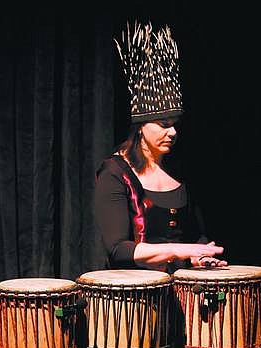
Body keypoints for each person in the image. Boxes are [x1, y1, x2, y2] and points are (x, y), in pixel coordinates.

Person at [94, 21, 228, 273]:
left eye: (176, 124)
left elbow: (196, 236)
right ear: (141, 127)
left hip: (183, 290)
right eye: (164, 124)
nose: (173, 132)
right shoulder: (114, 172)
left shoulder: (180, 170)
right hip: (134, 296)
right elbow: (119, 248)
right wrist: (180, 250)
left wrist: (200, 256)